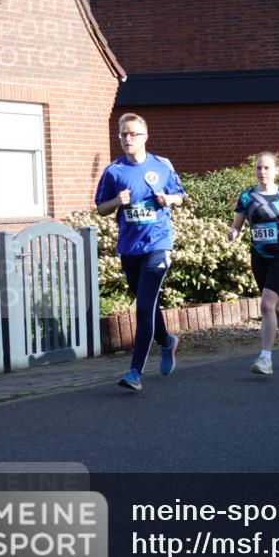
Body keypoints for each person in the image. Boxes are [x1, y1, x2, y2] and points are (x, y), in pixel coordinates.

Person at [94, 113, 185, 391]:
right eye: (123, 134)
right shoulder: (113, 171)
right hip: (129, 248)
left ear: (145, 137)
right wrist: (116, 201)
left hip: (158, 244)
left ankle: (135, 372)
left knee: (144, 307)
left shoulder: (162, 166)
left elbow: (181, 196)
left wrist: (168, 199)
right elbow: (100, 208)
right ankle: (167, 341)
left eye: (133, 134)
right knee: (148, 304)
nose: (128, 139)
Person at [227, 152, 279, 374]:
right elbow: (237, 226)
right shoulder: (247, 197)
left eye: (267, 168)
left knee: (266, 305)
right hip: (260, 257)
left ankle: (265, 358)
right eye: (259, 168)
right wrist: (233, 234)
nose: (262, 172)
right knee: (278, 307)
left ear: (276, 171)